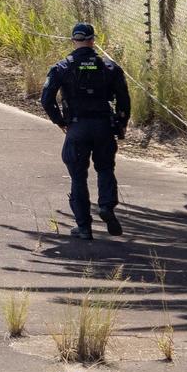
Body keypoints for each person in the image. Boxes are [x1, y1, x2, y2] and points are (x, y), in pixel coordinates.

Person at [40, 23, 131, 240]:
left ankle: (83, 227)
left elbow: (46, 99)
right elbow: (124, 100)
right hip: (103, 127)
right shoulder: (109, 67)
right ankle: (107, 206)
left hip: (77, 127)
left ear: (74, 41)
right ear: (92, 40)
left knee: (78, 176)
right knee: (106, 168)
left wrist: (59, 121)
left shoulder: (62, 67)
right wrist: (122, 122)